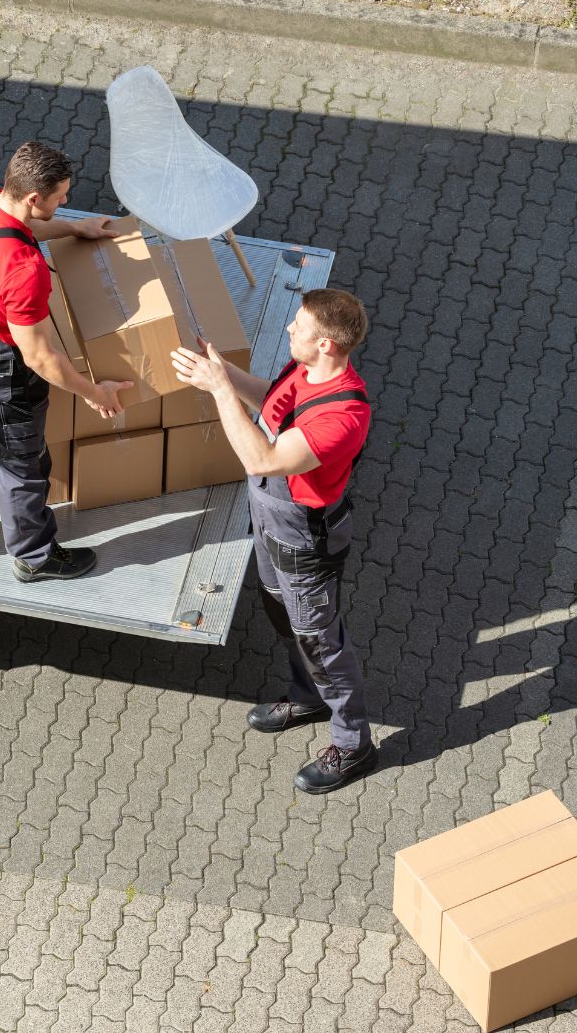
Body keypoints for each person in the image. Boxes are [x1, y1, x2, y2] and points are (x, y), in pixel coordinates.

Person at [170, 290, 376, 793]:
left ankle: (353, 744)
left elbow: (263, 459)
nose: (288, 329)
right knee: (281, 614)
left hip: (303, 539)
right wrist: (225, 372)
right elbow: (273, 406)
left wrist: (220, 391)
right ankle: (308, 697)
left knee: (320, 641)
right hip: (269, 522)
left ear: (326, 344)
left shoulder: (343, 417)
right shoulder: (303, 370)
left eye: (299, 325)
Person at [0, 142, 133, 582]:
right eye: (61, 197)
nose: (66, 202)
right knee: (23, 466)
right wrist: (95, 393)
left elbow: (11, 230)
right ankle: (34, 556)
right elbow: (40, 357)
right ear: (34, 198)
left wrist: (75, 228)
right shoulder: (23, 271)